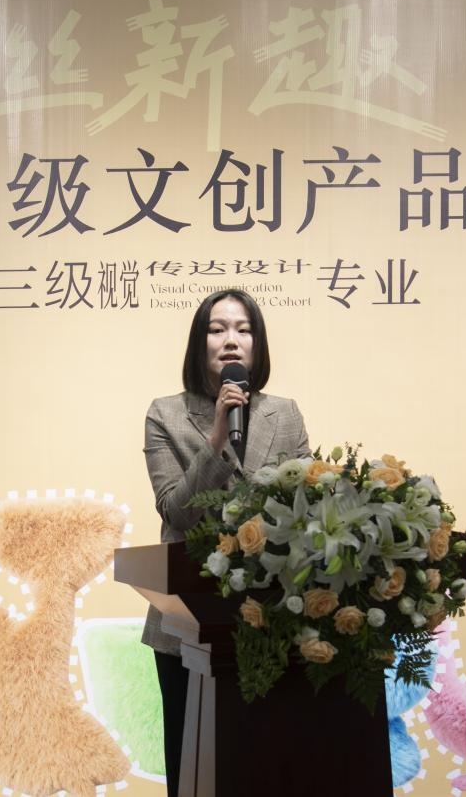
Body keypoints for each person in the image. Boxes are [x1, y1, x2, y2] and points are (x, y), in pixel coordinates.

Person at [141, 289, 310, 797]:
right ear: (200, 343)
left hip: (272, 621)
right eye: (217, 329)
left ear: (258, 344)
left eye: (243, 329)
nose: (231, 340)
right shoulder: (166, 414)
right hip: (188, 622)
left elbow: (306, 504)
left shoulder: (285, 414)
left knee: (267, 772)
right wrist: (216, 438)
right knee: (196, 775)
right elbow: (177, 511)